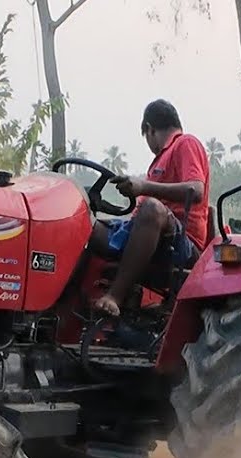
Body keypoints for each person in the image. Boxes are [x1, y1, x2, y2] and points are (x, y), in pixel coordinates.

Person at [89, 99, 212, 316]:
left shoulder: (186, 144)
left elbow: (196, 190)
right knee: (85, 225)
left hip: (182, 244)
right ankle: (58, 312)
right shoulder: (159, 160)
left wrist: (143, 186)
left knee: (152, 209)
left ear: (149, 129)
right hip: (154, 236)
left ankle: (114, 297)